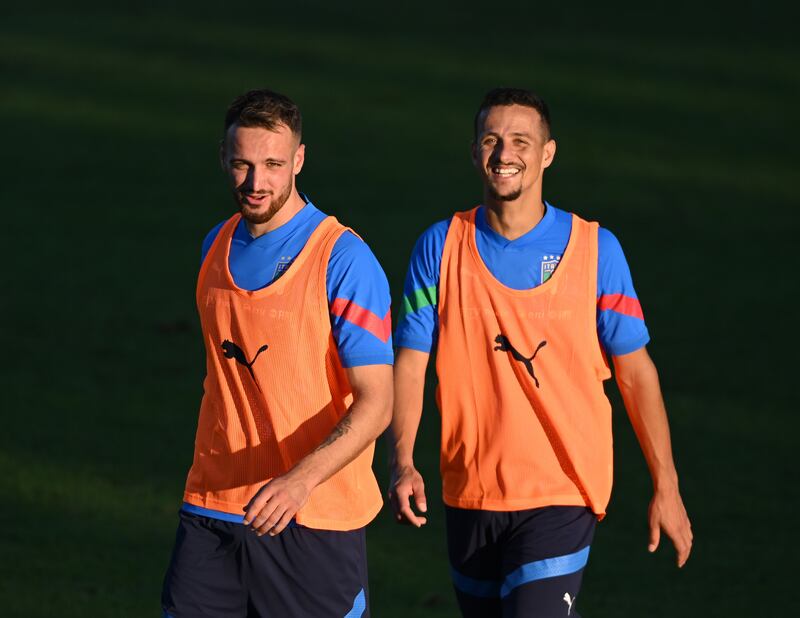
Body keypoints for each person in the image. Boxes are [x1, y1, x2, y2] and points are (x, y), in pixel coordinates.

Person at [388, 88, 692, 617]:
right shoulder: (439, 248)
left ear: (548, 153)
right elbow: (410, 364)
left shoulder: (597, 250)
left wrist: (666, 485)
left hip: (562, 492)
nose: (504, 155)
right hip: (470, 493)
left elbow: (636, 375)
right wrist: (402, 462)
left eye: (520, 142)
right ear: (475, 151)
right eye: (491, 140)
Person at [162, 89, 393, 618]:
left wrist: (299, 481)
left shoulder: (343, 259)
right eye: (242, 163)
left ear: (299, 160)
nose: (255, 182)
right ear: (223, 157)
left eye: (271, 164)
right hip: (213, 505)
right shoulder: (214, 246)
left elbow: (378, 402)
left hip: (314, 517)